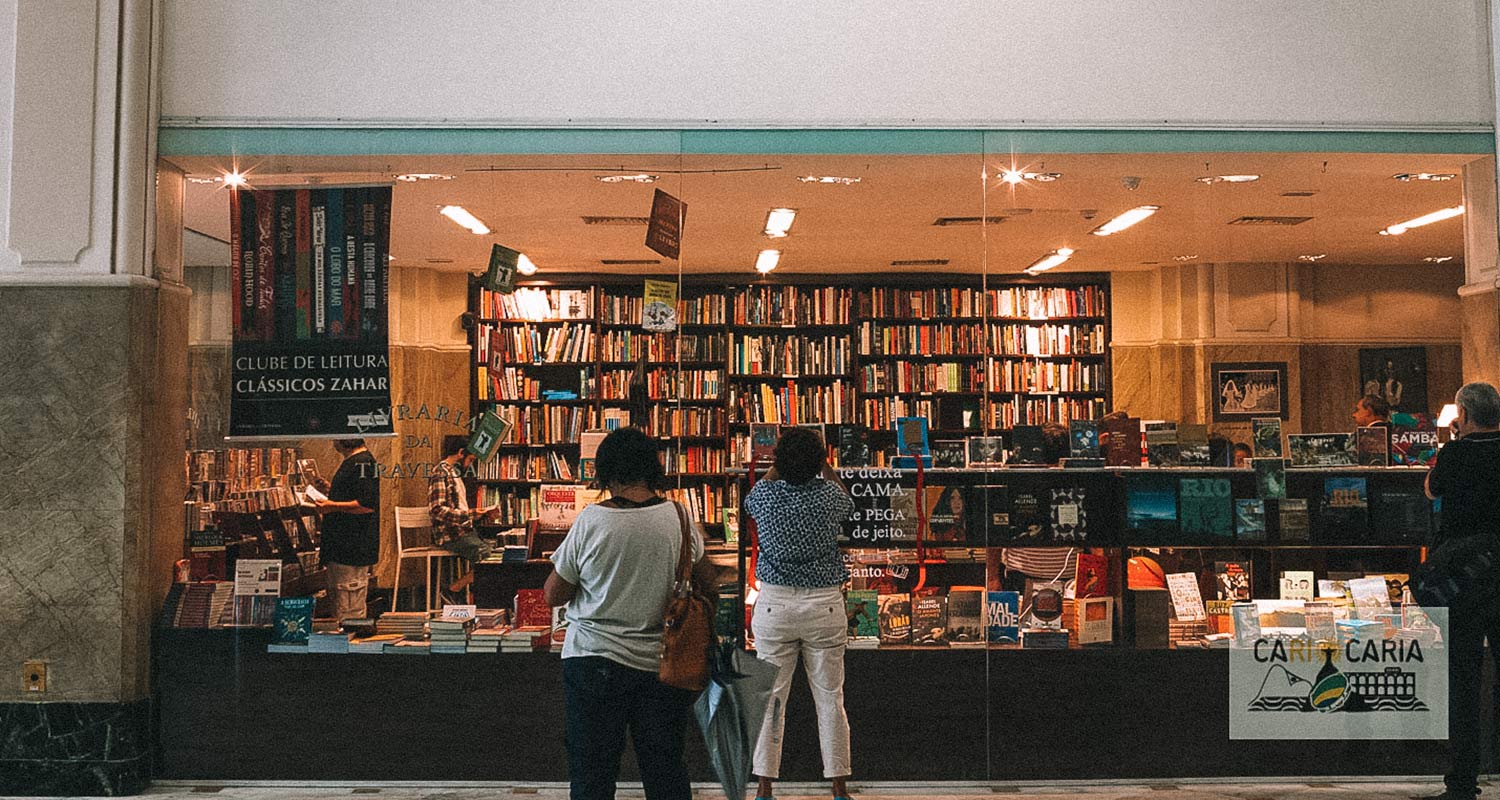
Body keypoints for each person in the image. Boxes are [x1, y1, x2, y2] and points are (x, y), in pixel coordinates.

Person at [542, 426, 714, 800]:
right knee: (665, 767)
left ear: (606, 471)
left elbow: (554, 593)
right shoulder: (680, 519)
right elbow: (709, 582)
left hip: (593, 660)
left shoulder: (591, 520)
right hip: (663, 664)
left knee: (592, 772)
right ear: (652, 468)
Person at [744, 427, 856, 800]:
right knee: (830, 698)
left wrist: (778, 466)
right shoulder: (829, 497)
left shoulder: (765, 497)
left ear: (778, 462)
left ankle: (764, 788)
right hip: (823, 604)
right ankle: (839, 787)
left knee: (772, 700)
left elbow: (753, 495)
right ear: (820, 462)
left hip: (775, 605)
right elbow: (848, 501)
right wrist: (824, 467)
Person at [1422, 381, 1500, 800]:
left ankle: (1463, 781)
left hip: (1465, 581)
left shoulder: (1455, 454)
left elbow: (1432, 489)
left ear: (1463, 416)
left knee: (1464, 679)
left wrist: (1447, 441)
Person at [309, 439, 379, 621]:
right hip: (342, 546)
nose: (332, 441)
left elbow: (366, 504)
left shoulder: (364, 462)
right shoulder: (355, 462)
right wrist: (330, 490)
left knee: (349, 609)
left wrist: (332, 505)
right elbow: (356, 494)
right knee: (341, 605)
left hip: (352, 546)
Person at [427, 435, 497, 597]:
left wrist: (481, 515)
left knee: (496, 554)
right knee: (487, 556)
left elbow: (458, 508)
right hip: (451, 534)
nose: (470, 464)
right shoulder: (440, 473)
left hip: (462, 530)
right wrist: (472, 514)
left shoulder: (453, 474)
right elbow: (436, 509)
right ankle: (454, 589)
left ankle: (461, 591)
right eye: (470, 459)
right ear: (460, 453)